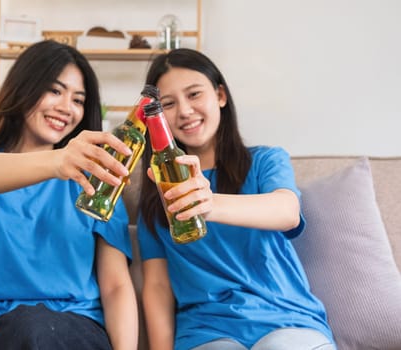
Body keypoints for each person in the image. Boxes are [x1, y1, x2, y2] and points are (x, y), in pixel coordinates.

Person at [0, 40, 138, 350]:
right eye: (55, 91)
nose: (67, 108)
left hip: (71, 328)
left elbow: (116, 286)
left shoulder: (99, 179)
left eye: (78, 99)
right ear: (23, 88)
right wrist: (57, 161)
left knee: (30, 325)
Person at [137, 48, 336, 350]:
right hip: (206, 331)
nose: (185, 111)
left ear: (220, 95)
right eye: (169, 104)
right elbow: (158, 286)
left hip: (286, 319)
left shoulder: (265, 162)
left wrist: (209, 203)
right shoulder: (157, 199)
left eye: (194, 94)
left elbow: (287, 211)